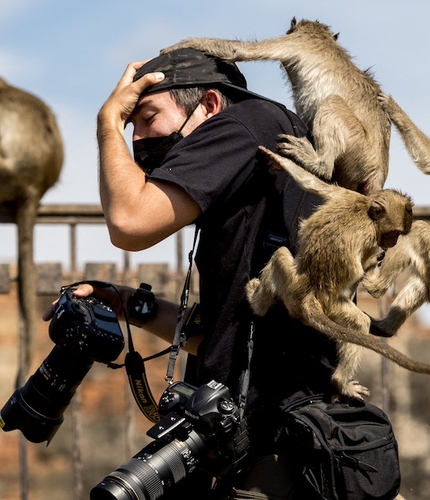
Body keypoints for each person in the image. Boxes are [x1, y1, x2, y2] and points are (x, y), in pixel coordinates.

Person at [46, 48, 339, 499]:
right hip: (246, 427)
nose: (138, 137)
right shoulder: (249, 167)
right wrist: (127, 303)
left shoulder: (246, 126)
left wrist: (108, 122)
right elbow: (221, 334)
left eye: (147, 117)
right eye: (130, 125)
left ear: (209, 105)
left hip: (280, 433)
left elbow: (129, 223)